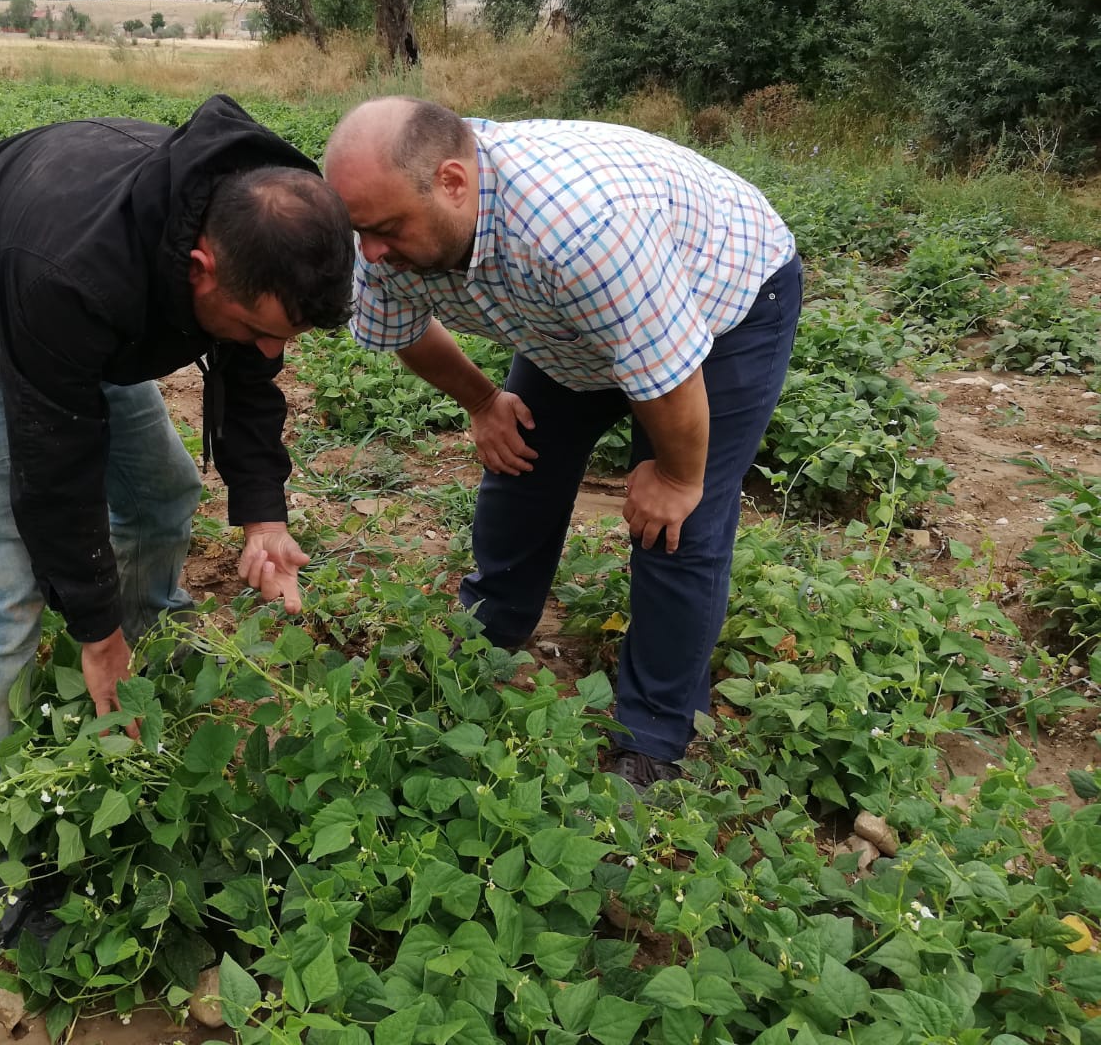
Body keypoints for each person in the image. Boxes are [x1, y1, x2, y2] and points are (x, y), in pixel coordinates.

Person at [0, 94, 353, 940]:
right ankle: (9, 853)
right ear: (200, 266)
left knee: (164, 490)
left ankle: (138, 660)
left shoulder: (258, 222)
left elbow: (251, 367)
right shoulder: (76, 271)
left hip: (84, 312)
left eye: (286, 335)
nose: (269, 349)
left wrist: (264, 515)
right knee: (3, 593)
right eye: (252, 327)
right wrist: (92, 629)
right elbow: (54, 468)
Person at [323, 96, 801, 794]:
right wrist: (485, 401)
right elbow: (400, 328)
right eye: (359, 231)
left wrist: (672, 474)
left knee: (676, 526)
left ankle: (654, 737)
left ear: (454, 183)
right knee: (521, 464)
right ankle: (487, 634)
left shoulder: (578, 230)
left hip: (722, 299)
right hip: (568, 320)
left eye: (385, 230)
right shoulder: (386, 222)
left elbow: (666, 376)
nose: (370, 254)